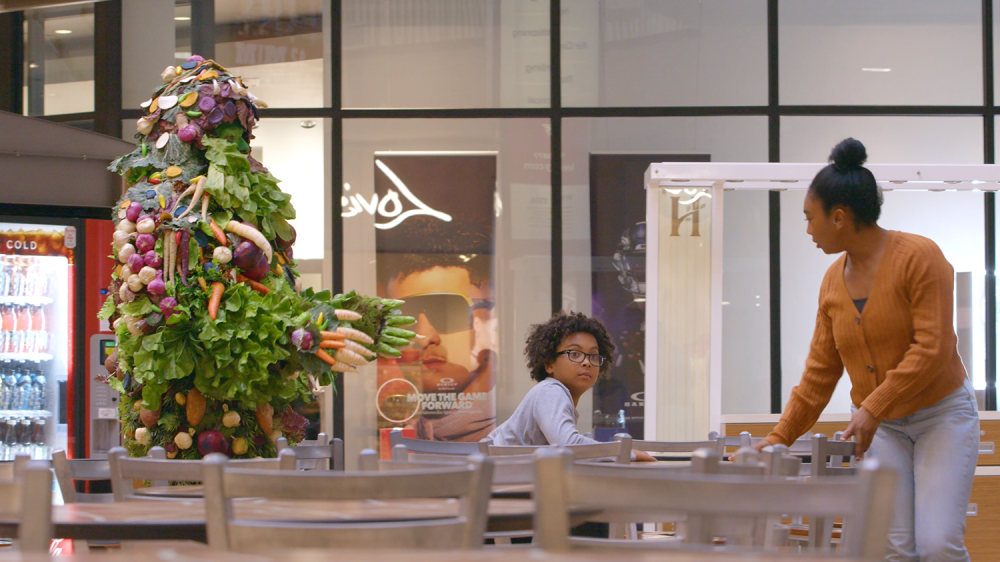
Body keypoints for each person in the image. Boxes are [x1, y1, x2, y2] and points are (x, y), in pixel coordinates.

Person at [755, 138, 979, 561]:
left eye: (810, 218)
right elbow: (819, 375)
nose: (807, 230)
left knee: (937, 545)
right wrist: (779, 437)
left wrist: (872, 407)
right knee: (892, 547)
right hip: (887, 430)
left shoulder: (920, 257)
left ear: (838, 218)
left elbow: (933, 348)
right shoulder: (831, 282)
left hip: (942, 416)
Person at [377, 217, 497, 442]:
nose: (424, 337)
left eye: (445, 311)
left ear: (488, 319)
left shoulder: (515, 430)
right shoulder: (413, 428)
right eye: (404, 318)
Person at [488, 311, 655, 462]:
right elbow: (568, 445)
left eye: (594, 356)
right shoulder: (550, 391)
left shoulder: (558, 395)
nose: (587, 362)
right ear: (549, 364)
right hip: (498, 486)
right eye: (575, 354)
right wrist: (624, 452)